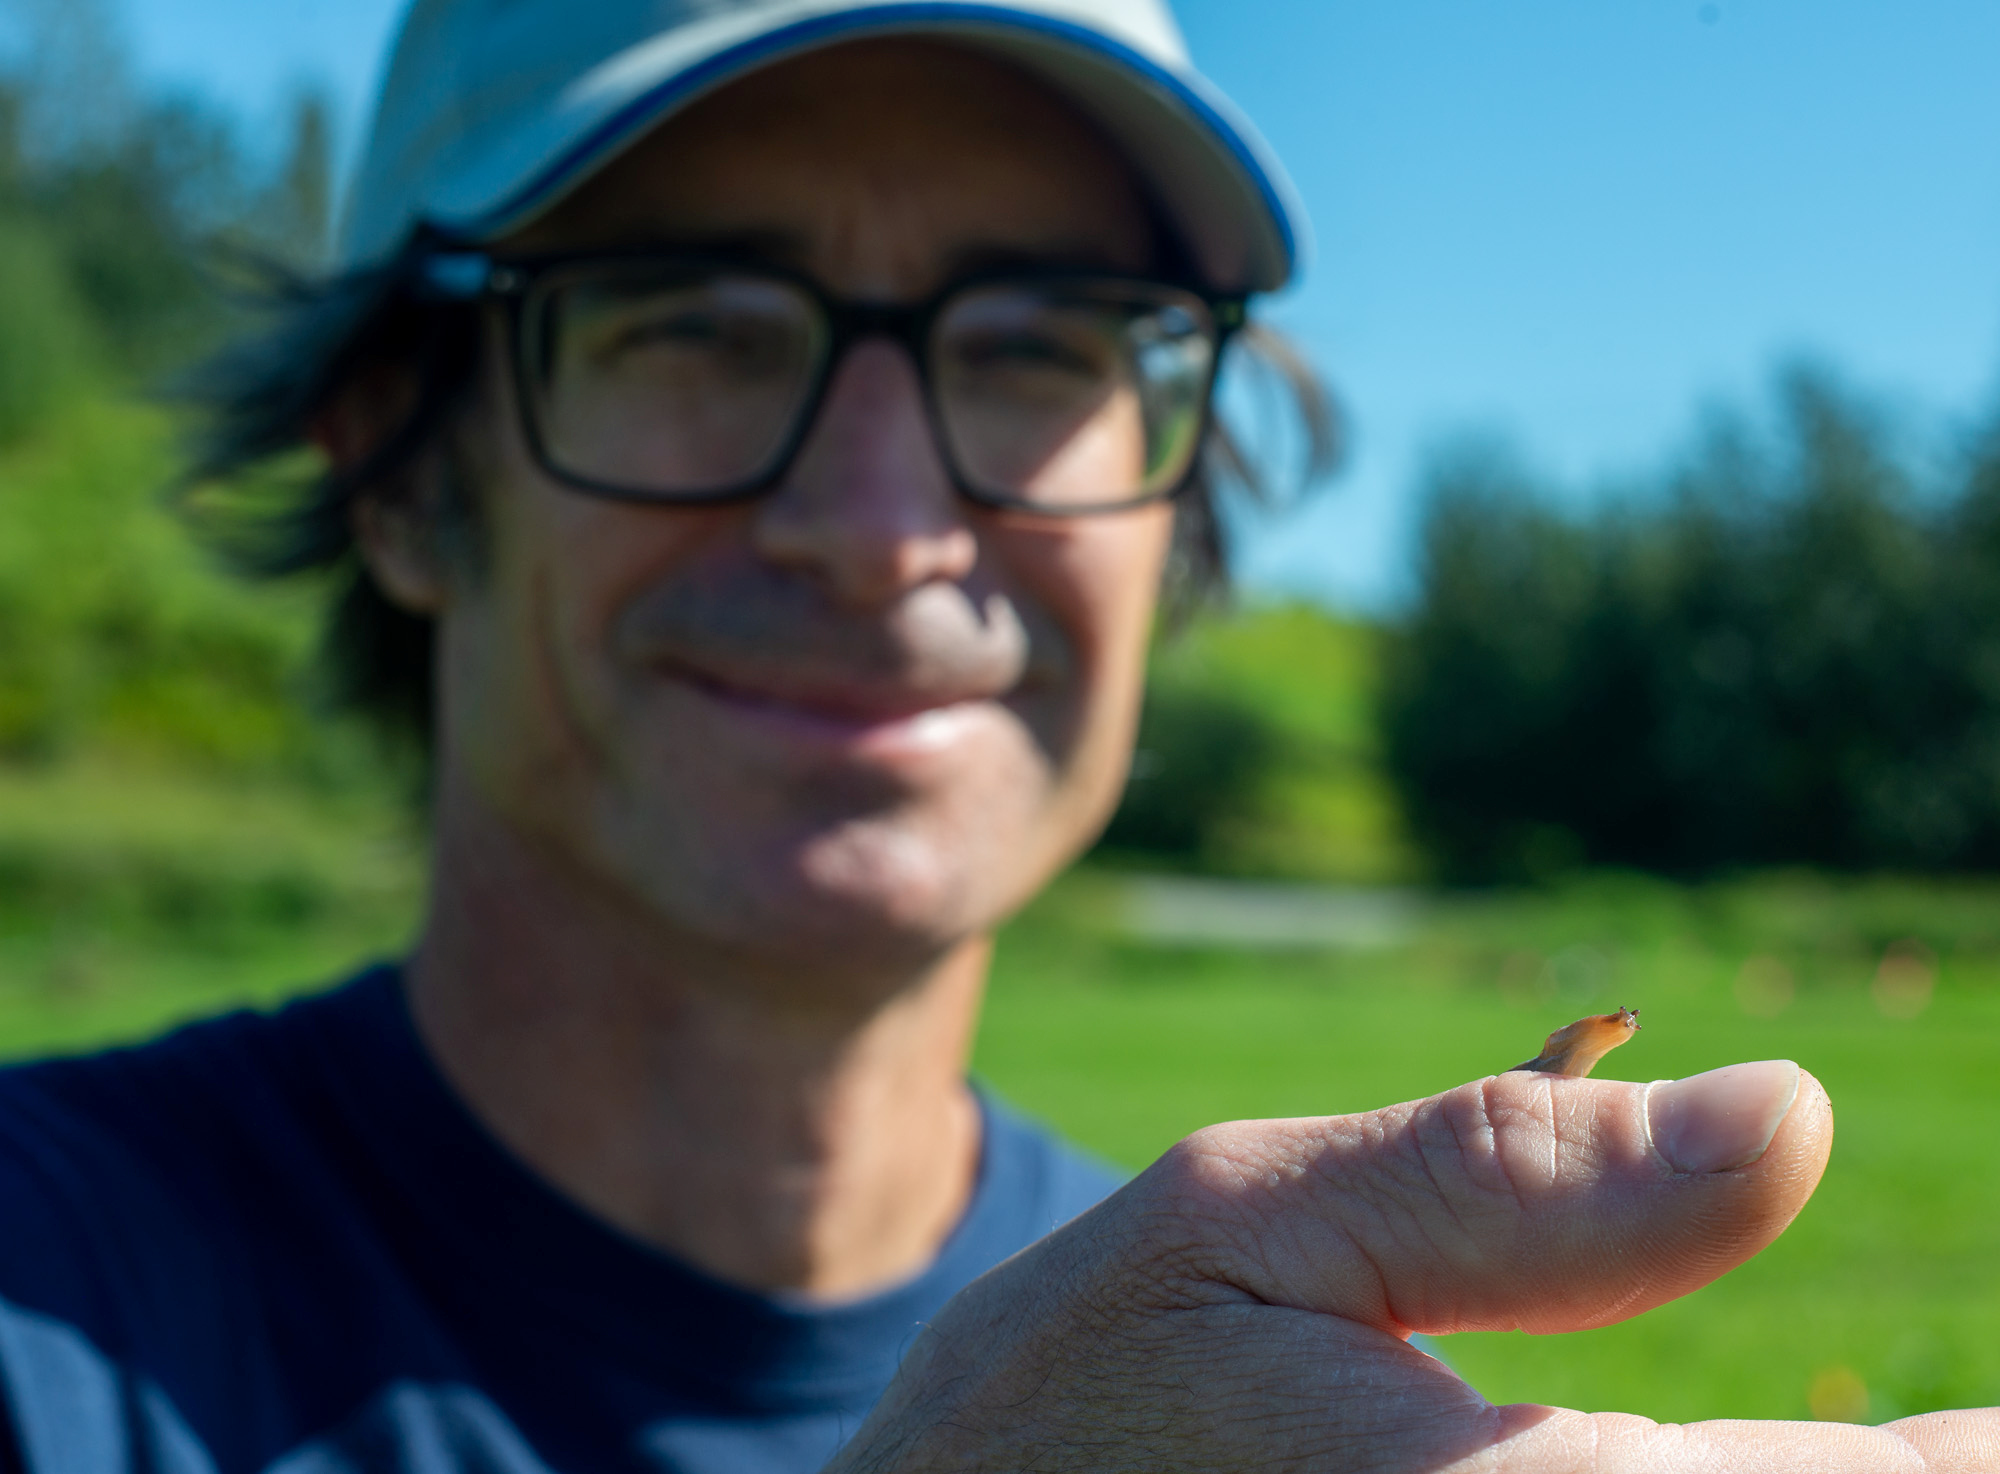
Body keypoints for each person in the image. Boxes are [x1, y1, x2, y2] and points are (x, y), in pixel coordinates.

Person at [0, 0, 1993, 1469]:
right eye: (690, 318)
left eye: (1038, 343)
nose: (879, 531)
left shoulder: (1280, 1390)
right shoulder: (44, 1320)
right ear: (404, 473)